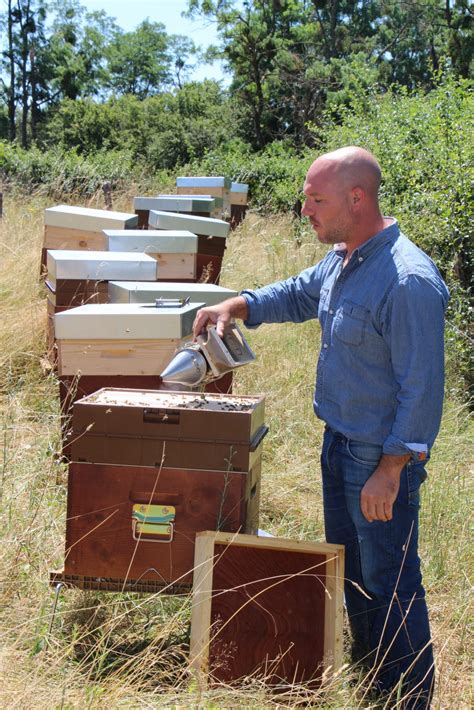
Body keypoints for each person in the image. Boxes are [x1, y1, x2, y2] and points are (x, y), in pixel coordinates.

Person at [192, 146, 449, 708]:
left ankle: (408, 696)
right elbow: (297, 294)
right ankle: (373, 673)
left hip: (379, 459)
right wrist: (235, 305)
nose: (305, 208)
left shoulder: (407, 280)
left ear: (356, 200)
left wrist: (390, 468)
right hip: (339, 445)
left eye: (316, 199)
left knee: (391, 579)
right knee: (352, 569)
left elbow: (423, 388)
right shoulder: (344, 257)